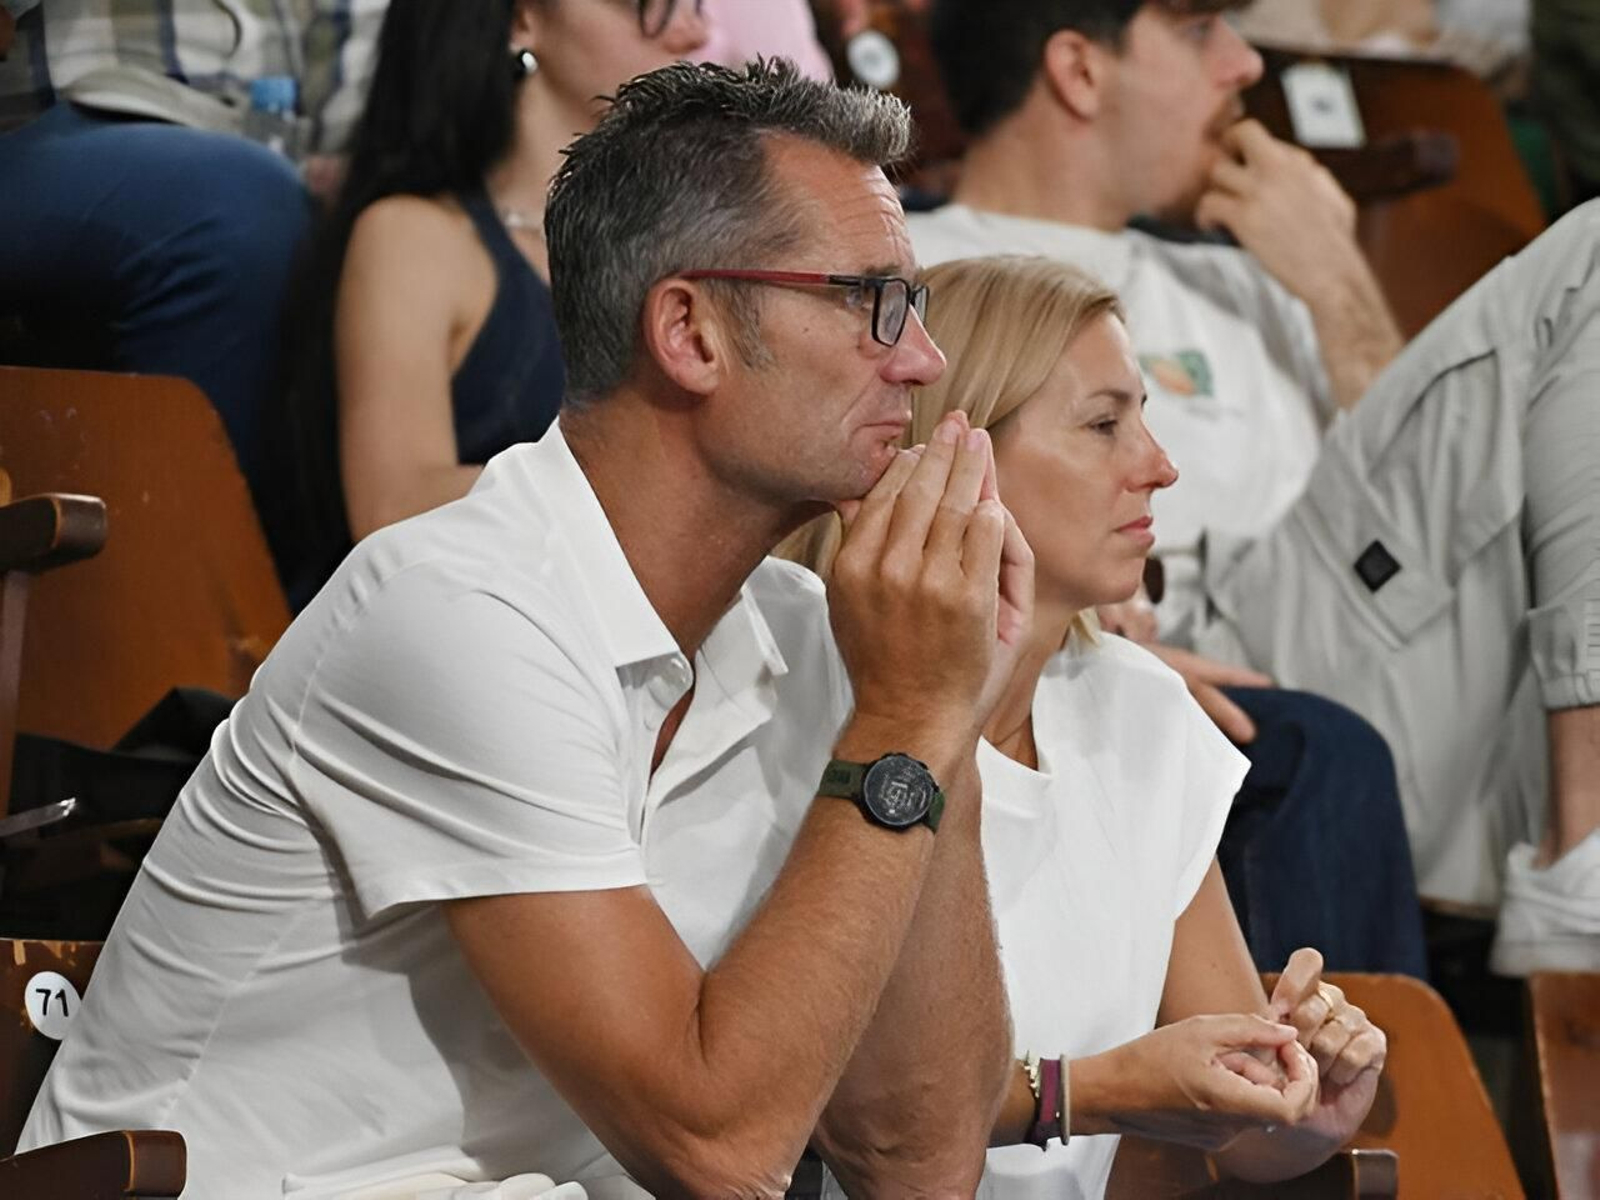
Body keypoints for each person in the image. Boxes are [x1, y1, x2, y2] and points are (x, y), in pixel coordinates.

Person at [21, 60, 1023, 1197]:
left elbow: (917, 1164)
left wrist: (941, 724)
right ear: (689, 332)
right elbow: (719, 1149)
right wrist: (901, 714)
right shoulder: (460, 610)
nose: (923, 360)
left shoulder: (826, 639)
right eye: (869, 299)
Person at [913, 0, 1600, 973]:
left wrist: (1336, 285)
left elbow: (1420, 525)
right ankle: (1580, 883)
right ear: (1077, 69)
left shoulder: (1258, 274)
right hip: (1111, 637)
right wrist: (1077, 634)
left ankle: (1583, 859)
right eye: (1200, 32)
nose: (1244, 66)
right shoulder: (910, 262)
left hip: (1347, 640)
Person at [791, 255, 1387, 1199]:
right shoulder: (808, 691)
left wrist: (1310, 1105)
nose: (1158, 464)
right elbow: (827, 1112)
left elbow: (1237, 1127)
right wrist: (1091, 1092)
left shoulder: (1142, 709)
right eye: (1105, 424)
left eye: (1143, 417)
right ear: (956, 448)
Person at [279, 0, 710, 608]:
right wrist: (672, 485)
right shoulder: (415, 235)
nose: (695, 32)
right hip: (444, 638)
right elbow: (392, 504)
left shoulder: (684, 250)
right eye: (649, 5)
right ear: (521, 21)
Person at [0, 1, 382, 575]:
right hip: (59, 126)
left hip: (279, 155)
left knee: (423, 242)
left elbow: (374, 65)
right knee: (240, 210)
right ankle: (174, 612)